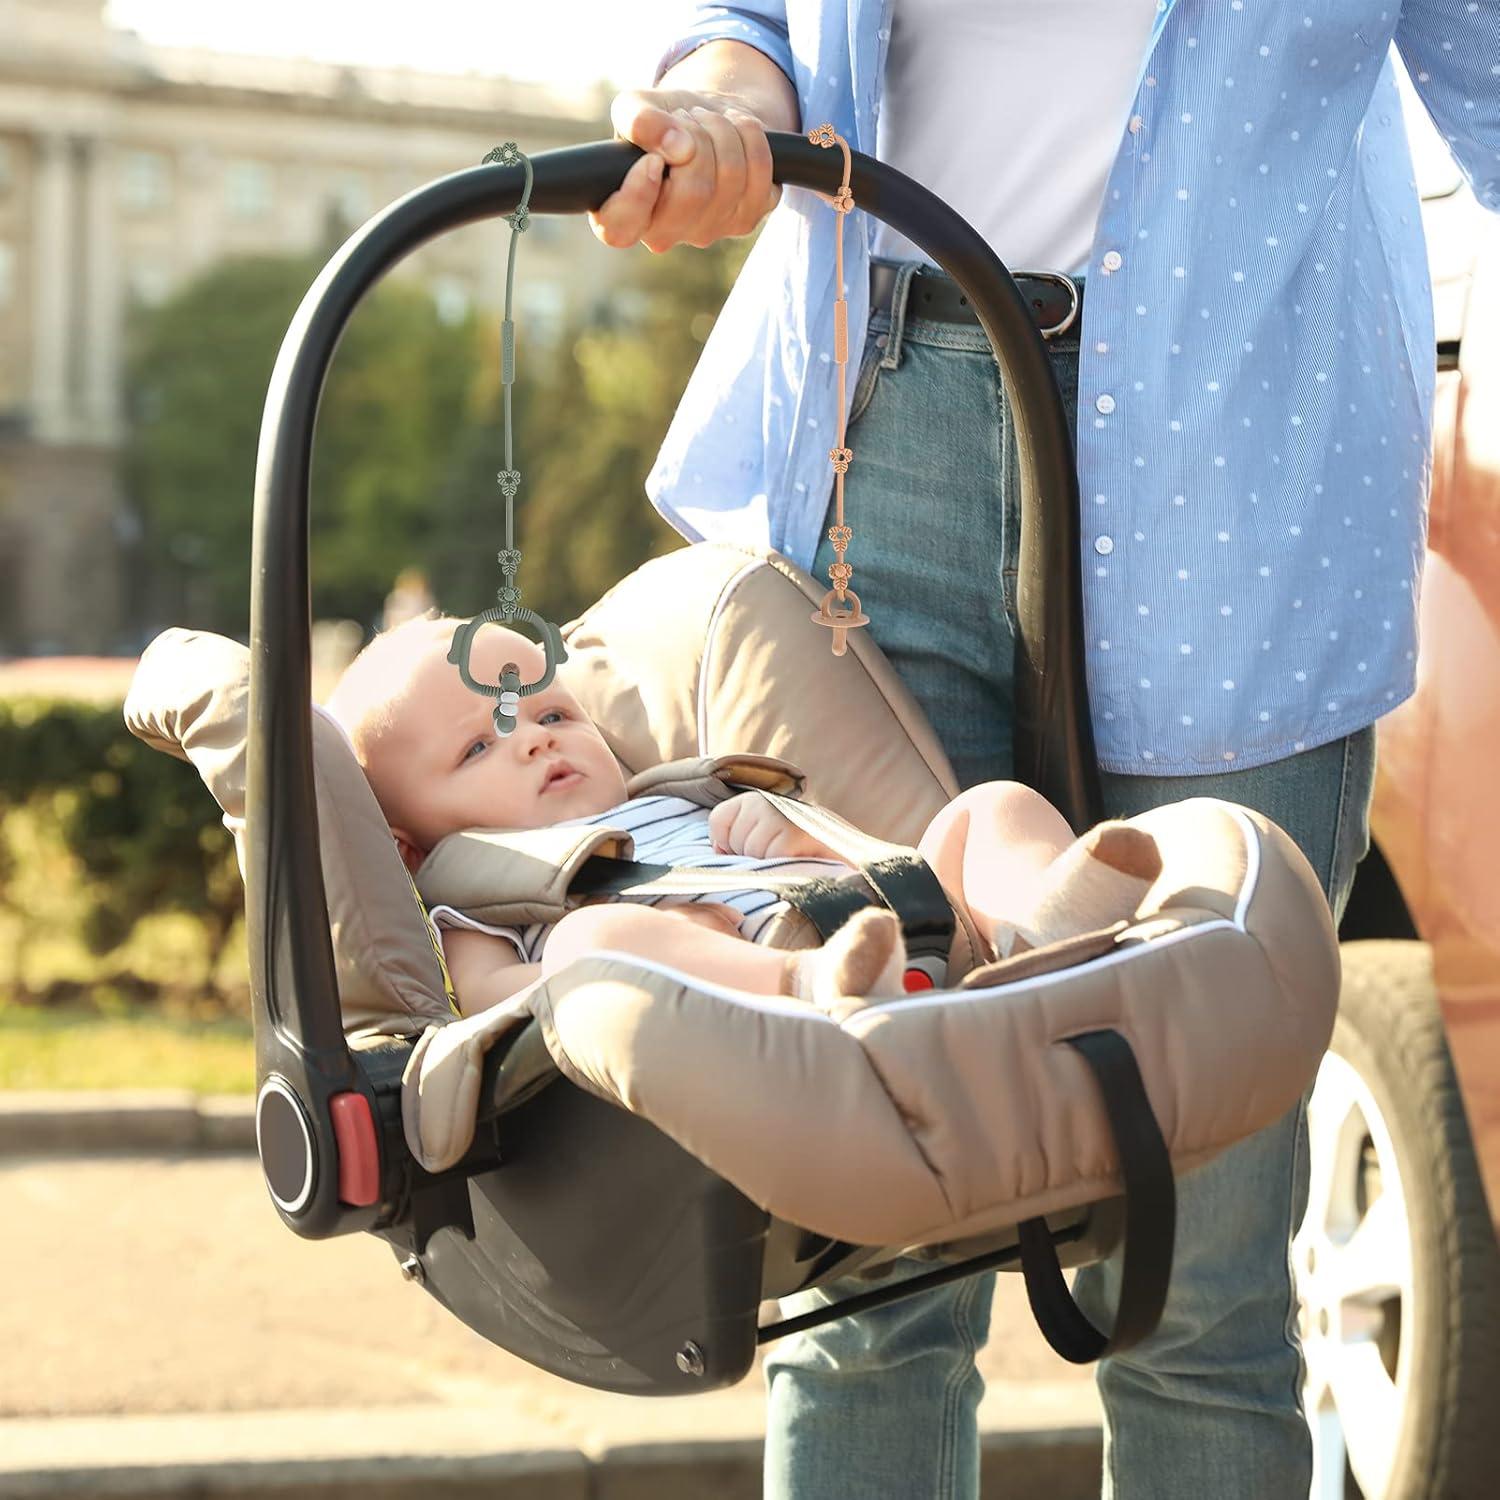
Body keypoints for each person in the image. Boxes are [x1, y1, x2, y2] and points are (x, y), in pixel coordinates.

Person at [589, 3, 1500, 1496]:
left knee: (1201, 1291)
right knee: (869, 1272)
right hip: (888, 432)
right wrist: (725, 102)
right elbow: (751, 21)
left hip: (1249, 453)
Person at [323, 612, 1163, 1019]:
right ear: (412, 848)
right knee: (589, 940)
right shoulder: (478, 897)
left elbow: (872, 859)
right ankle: (820, 983)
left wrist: (805, 834)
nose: (536, 742)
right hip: (773, 1004)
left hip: (908, 930)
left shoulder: (683, 799)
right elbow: (489, 1002)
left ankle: (1038, 932)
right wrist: (650, 955)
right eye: (478, 747)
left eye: (551, 714)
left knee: (991, 809)